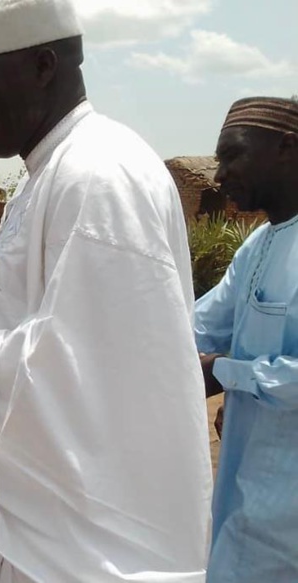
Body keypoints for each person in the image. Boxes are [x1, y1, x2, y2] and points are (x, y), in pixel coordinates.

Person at [0, 1, 212, 581]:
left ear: (43, 65)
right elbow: (44, 329)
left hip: (100, 545)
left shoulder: (98, 173)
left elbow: (95, 361)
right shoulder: (55, 169)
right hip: (57, 533)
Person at [195, 96, 298, 581]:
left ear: (286, 147)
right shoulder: (258, 245)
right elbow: (197, 326)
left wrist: (224, 372)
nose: (219, 175)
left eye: (232, 155)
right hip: (244, 498)